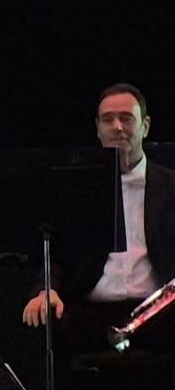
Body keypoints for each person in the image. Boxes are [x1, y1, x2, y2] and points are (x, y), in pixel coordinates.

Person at [21, 83, 175, 352]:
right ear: (98, 129)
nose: (117, 127)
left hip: (157, 311)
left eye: (127, 118)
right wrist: (46, 290)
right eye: (108, 120)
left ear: (145, 126)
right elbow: (57, 253)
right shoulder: (76, 190)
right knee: (39, 319)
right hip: (89, 309)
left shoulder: (171, 186)